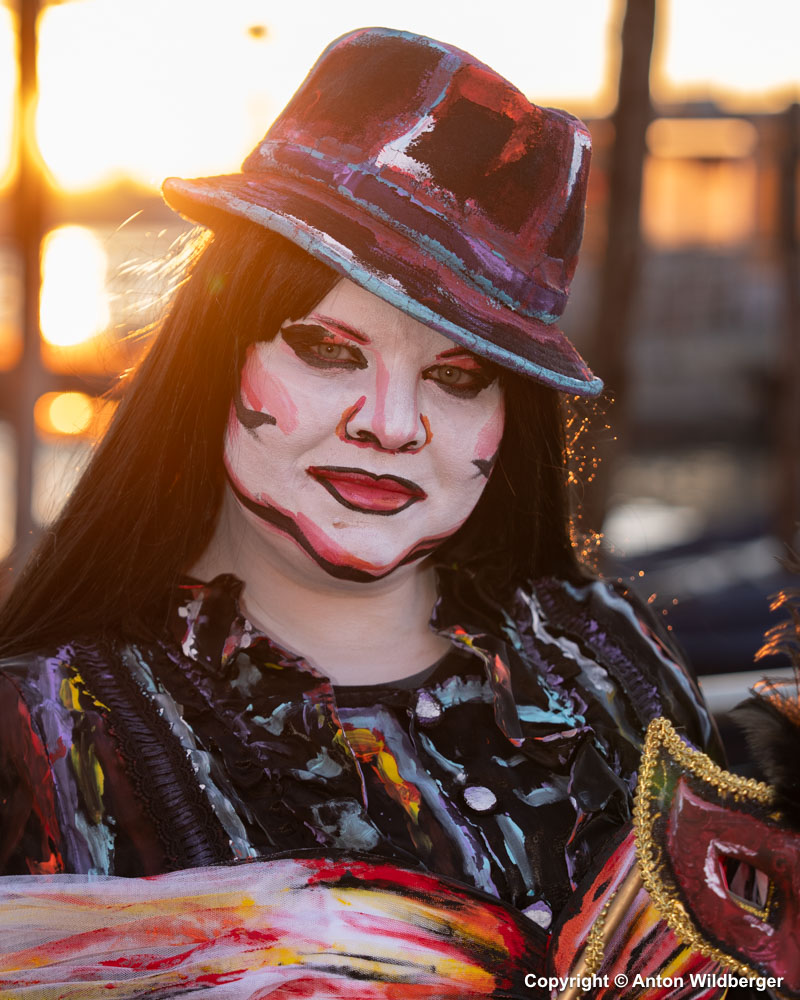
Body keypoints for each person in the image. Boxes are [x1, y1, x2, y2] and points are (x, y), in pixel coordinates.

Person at [0, 26, 722, 997]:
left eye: (456, 376)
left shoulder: (614, 659)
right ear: (215, 353)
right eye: (327, 350)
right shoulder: (37, 732)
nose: (390, 423)